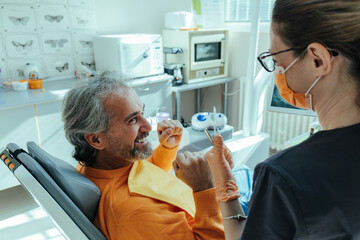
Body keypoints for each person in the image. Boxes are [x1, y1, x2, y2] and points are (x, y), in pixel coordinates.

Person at [176, 0, 360, 239]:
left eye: (277, 60)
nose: (277, 72)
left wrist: (222, 191)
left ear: (318, 59)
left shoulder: (282, 175)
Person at [61, 74, 225, 240]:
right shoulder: (137, 213)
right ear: (96, 139)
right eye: (132, 120)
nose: (147, 125)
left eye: (142, 113)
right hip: (220, 219)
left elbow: (140, 175)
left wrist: (167, 148)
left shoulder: (100, 164)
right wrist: (205, 188)